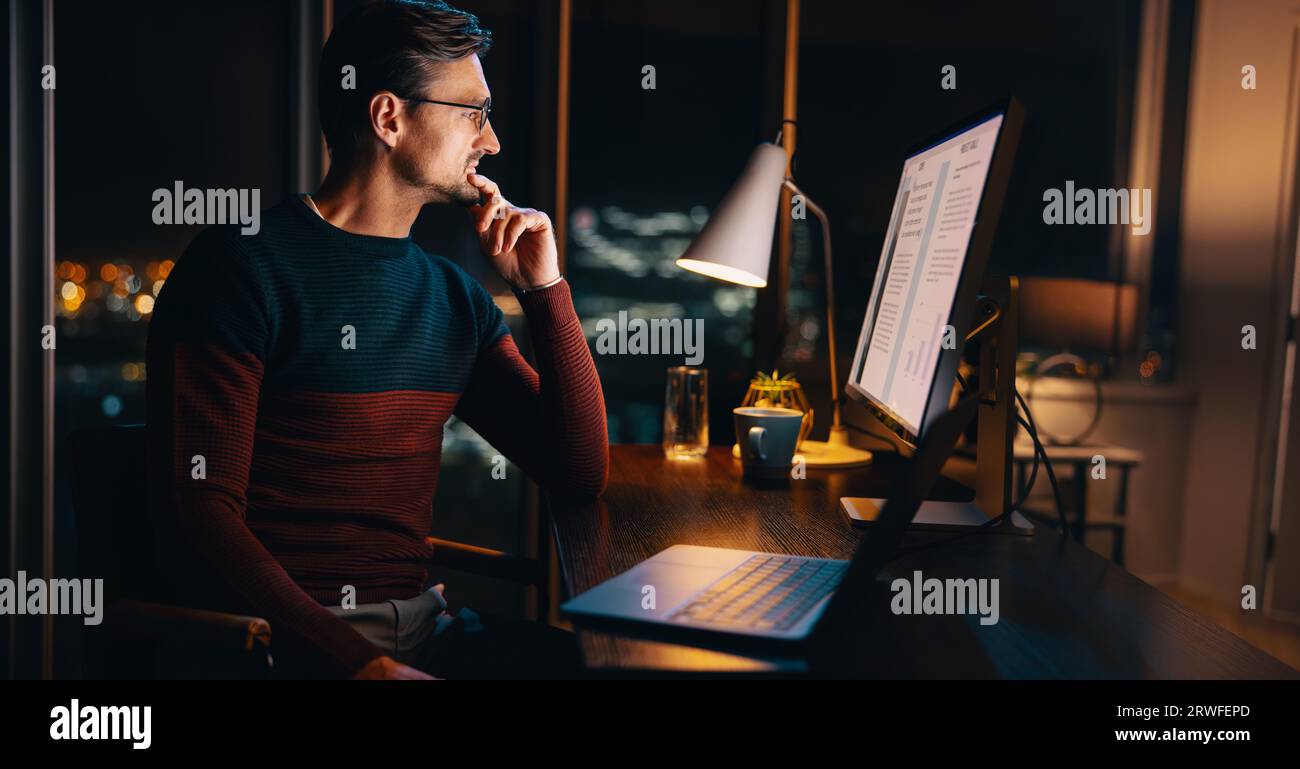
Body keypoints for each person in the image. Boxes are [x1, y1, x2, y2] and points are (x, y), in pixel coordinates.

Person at [146, 0, 607, 679]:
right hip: (280, 649)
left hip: (427, 631)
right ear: (389, 117)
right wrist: (361, 665)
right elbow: (205, 514)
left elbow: (576, 472)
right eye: (474, 113)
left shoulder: (454, 299)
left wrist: (546, 290)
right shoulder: (241, 268)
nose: (493, 141)